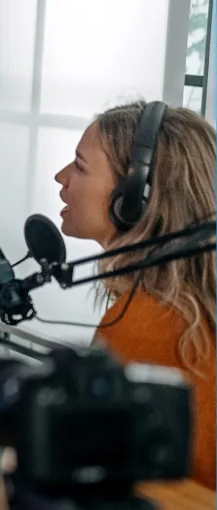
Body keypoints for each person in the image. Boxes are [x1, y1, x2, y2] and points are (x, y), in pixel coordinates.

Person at [54, 100, 215, 489]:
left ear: (132, 199)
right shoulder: (188, 309)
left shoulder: (145, 323)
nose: (61, 177)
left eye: (79, 166)